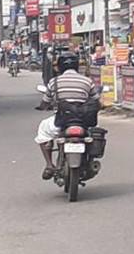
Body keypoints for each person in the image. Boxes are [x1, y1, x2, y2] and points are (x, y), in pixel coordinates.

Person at [35, 52, 101, 180]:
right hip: (84, 121)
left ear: (60, 67)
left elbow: (45, 102)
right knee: (94, 134)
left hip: (62, 121)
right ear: (77, 66)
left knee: (43, 129)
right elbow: (97, 101)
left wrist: (42, 107)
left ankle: (49, 165)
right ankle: (89, 160)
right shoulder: (87, 81)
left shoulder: (54, 82)